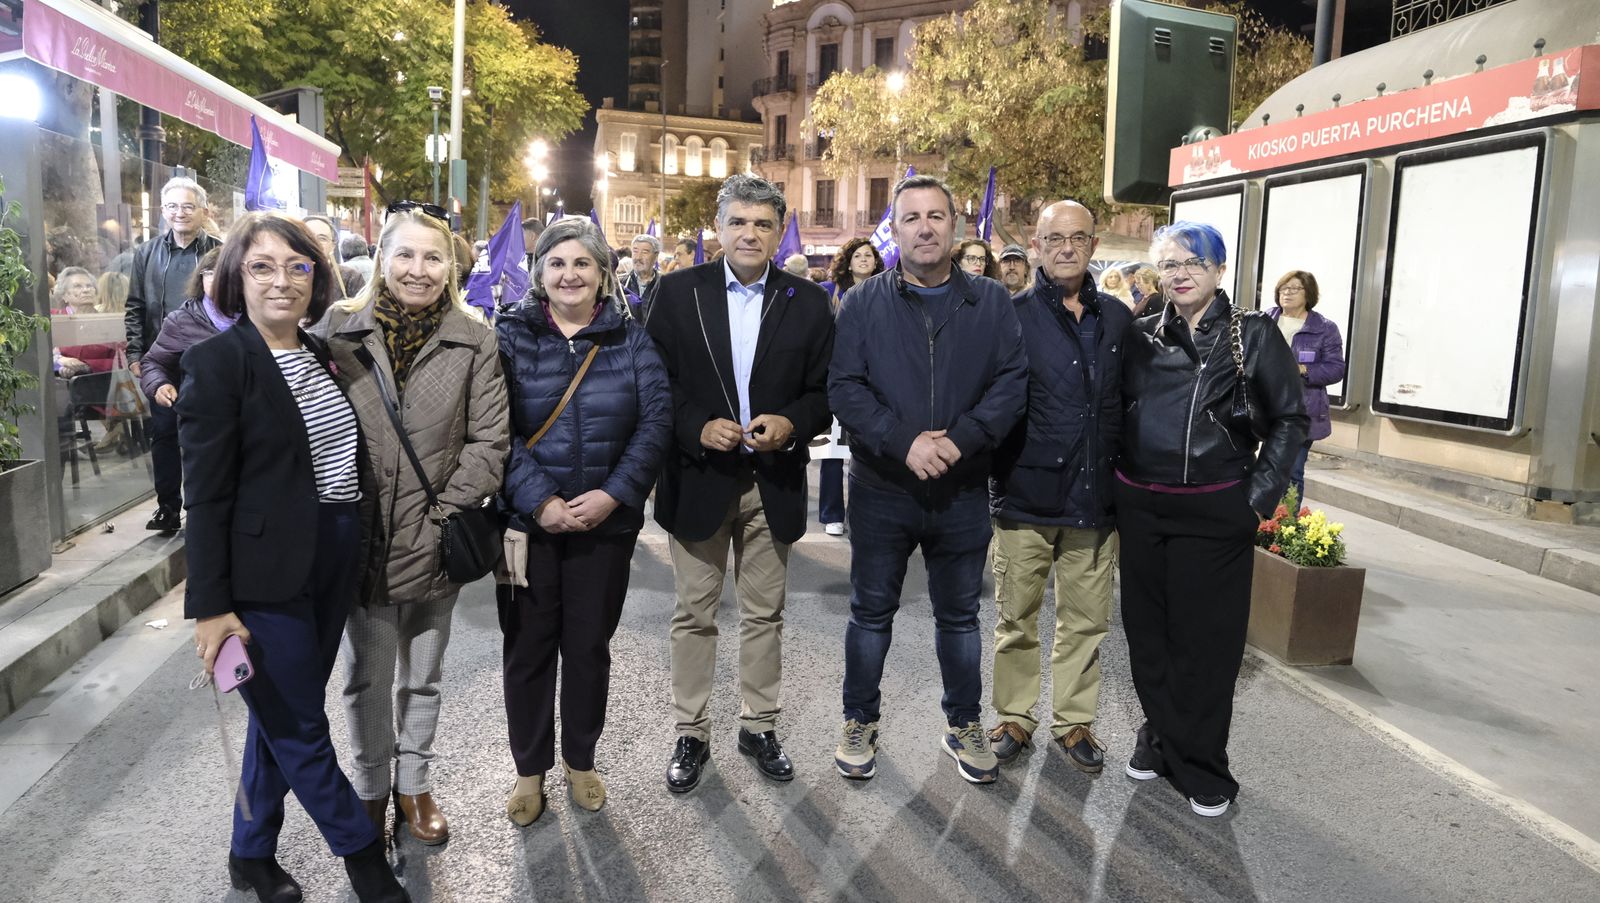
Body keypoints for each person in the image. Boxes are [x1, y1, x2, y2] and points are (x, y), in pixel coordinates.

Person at [178, 212, 411, 903]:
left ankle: (250, 852)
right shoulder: (216, 363)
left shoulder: (322, 354)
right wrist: (212, 607)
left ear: (317, 276)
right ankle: (367, 866)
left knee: (282, 714)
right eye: (262, 266)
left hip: (333, 554)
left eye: (297, 266)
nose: (281, 280)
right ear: (236, 277)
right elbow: (207, 498)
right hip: (262, 573)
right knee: (301, 727)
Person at [317, 201, 510, 846]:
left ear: (450, 268)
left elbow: (489, 444)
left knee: (422, 676)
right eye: (405, 254)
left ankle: (413, 785)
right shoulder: (337, 331)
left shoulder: (474, 338)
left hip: (435, 539)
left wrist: (442, 517)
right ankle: (372, 792)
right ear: (382, 259)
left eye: (432, 257)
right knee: (366, 678)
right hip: (359, 539)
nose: (418, 269)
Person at [829, 175, 1028, 784]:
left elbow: (1011, 383)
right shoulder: (864, 301)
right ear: (896, 227)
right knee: (870, 613)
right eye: (911, 217)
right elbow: (845, 388)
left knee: (961, 618)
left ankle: (964, 724)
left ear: (955, 225)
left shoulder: (991, 300)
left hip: (962, 489)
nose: (924, 227)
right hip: (882, 487)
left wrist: (960, 441)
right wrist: (904, 442)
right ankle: (859, 720)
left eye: (936, 216)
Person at [645, 174, 835, 793]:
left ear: (779, 232)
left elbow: (826, 393)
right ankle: (690, 732)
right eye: (738, 222)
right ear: (718, 229)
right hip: (698, 479)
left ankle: (759, 725)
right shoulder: (674, 294)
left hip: (772, 482)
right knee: (693, 615)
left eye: (762, 224)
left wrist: (792, 423)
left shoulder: (808, 301)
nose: (750, 233)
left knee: (765, 615)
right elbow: (652, 385)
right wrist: (697, 427)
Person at [1115, 221, 1307, 818]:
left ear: (1220, 270)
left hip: (1216, 509)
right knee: (1149, 640)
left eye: (1193, 262)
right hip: (1142, 508)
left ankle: (1201, 765)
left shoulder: (1252, 334)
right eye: (1169, 263)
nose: (1180, 273)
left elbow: (1290, 422)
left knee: (1205, 645)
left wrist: (1257, 499)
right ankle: (1159, 735)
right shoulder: (1142, 334)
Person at [495, 217, 672, 825]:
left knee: (589, 648)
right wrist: (540, 499)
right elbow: (496, 430)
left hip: (607, 527)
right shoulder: (510, 337)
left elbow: (655, 426)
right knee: (527, 650)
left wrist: (614, 495)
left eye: (582, 264)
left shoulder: (632, 341)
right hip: (528, 526)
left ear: (602, 274)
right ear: (540, 274)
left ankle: (581, 760)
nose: (570, 275)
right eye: (557, 263)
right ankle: (528, 771)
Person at [987, 201, 1132, 772]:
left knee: (1087, 622)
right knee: (1015, 619)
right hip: (1024, 496)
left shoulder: (1119, 319)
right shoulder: (1011, 315)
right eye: (1055, 239)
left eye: (1078, 238)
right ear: (1037, 246)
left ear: (1093, 245)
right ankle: (1015, 718)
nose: (1066, 248)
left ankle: (1074, 724)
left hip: (1095, 499)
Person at [127, 176, 222, 533]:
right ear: (162, 211)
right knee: (164, 436)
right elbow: (135, 305)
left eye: (187, 206)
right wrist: (136, 351)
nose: (179, 213)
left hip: (210, 360)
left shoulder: (219, 251)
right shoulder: (147, 253)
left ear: (203, 211)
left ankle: (209, 505)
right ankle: (168, 507)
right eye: (172, 206)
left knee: (211, 435)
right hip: (163, 358)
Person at [817, 238, 884, 536]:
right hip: (833, 381)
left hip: (874, 384)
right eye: (858, 255)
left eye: (869, 255)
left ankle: (863, 514)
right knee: (832, 453)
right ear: (847, 261)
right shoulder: (827, 293)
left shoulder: (887, 293)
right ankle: (832, 514)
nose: (864, 259)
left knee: (868, 452)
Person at [1266, 270, 1345, 502]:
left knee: (1292, 472)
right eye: (1283, 288)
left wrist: (1303, 370)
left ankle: (1285, 526)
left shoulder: (1324, 328)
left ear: (1308, 293)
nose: (1287, 293)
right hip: (1263, 408)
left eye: (1294, 288)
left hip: (1301, 411)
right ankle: (1259, 523)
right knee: (1261, 470)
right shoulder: (1264, 320)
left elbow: (1336, 369)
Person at [138, 248, 229, 445]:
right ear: (201, 278)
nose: (219, 280)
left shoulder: (260, 317)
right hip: (205, 424)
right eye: (211, 273)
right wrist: (160, 385)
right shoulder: (183, 320)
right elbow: (153, 363)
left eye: (227, 273)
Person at [621, 234, 664, 318]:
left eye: (644, 252)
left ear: (655, 256)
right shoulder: (620, 284)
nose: (638, 257)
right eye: (635, 251)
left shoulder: (665, 285)